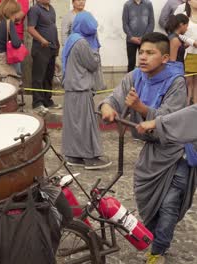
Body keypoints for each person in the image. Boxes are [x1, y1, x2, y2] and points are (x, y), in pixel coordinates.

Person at [100, 32, 191, 264]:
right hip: (151, 154)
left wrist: (141, 107)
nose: (143, 57)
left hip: (176, 152)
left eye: (150, 53)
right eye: (141, 52)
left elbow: (169, 119)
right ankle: (156, 238)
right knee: (148, 204)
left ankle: (157, 252)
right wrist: (108, 107)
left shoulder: (176, 82)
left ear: (165, 58)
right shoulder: (135, 76)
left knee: (169, 204)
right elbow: (115, 97)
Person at [61, 12, 111, 170]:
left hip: (72, 89)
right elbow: (92, 63)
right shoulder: (82, 43)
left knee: (74, 126)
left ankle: (73, 156)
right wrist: (95, 50)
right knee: (85, 125)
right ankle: (90, 158)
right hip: (80, 89)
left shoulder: (72, 38)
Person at [27, 0, 61, 112]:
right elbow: (30, 28)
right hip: (40, 49)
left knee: (48, 76)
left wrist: (57, 43)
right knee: (38, 77)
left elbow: (53, 27)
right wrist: (42, 40)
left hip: (52, 48)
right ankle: (37, 103)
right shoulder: (34, 10)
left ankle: (47, 101)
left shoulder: (51, 9)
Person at [122, 0, 155, 73]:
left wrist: (145, 37)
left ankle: (144, 82)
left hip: (145, 40)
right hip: (131, 40)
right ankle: (131, 83)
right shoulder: (127, 5)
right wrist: (131, 37)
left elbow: (151, 23)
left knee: (145, 63)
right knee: (131, 64)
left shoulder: (148, 4)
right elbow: (125, 24)